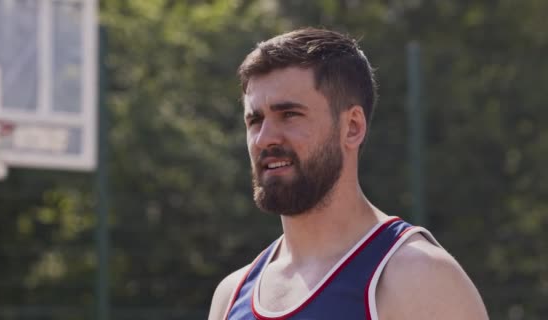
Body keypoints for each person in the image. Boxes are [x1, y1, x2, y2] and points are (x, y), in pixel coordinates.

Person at [208, 28, 488, 320]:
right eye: (255, 120)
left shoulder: (417, 278)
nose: (264, 138)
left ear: (352, 127)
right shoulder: (231, 296)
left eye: (289, 115)